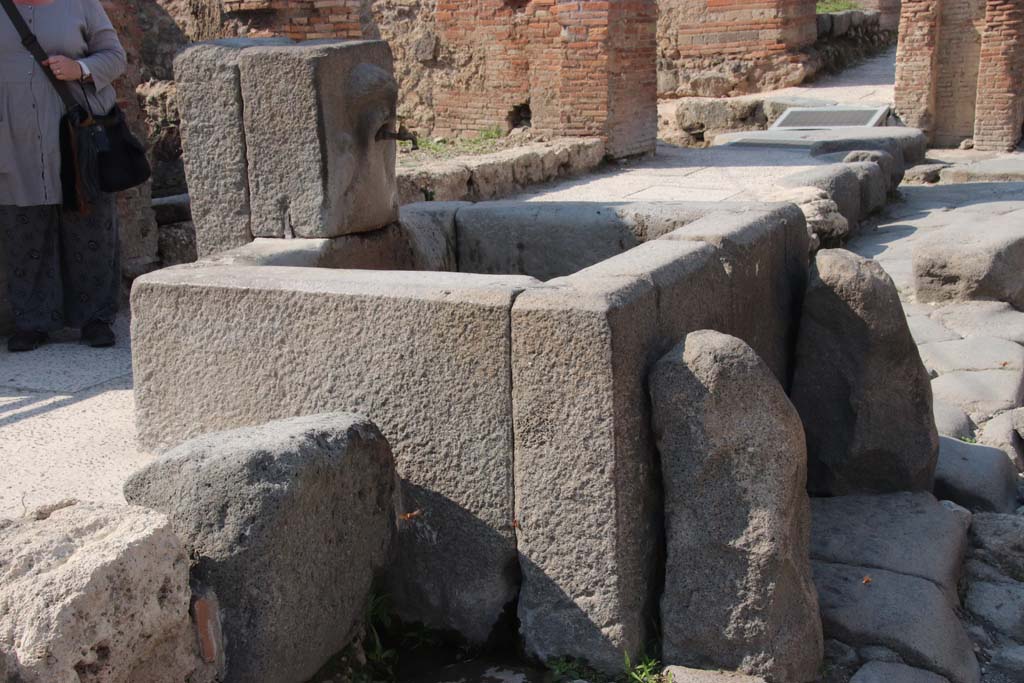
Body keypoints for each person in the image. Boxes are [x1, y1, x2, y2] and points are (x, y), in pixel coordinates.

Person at [0, 0, 127, 352]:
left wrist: (80, 68)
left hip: (76, 137)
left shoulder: (81, 4)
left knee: (91, 226)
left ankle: (95, 319)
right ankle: (32, 321)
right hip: (13, 138)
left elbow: (115, 57)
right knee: (23, 229)